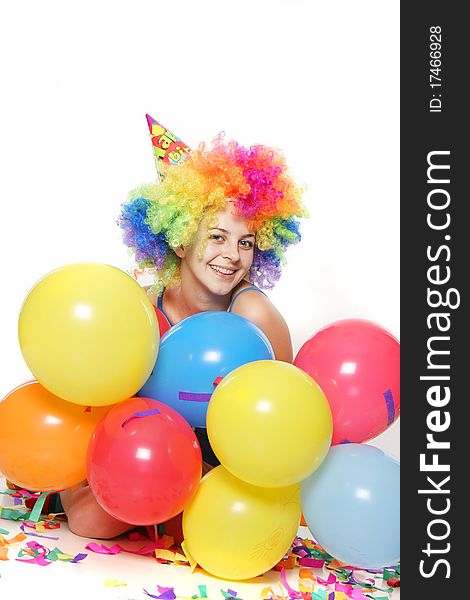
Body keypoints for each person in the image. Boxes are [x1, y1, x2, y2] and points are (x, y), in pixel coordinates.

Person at [60, 133, 307, 540]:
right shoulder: (143, 307)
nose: (232, 255)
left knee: (209, 530)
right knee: (90, 523)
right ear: (178, 239)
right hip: (147, 445)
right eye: (216, 236)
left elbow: (286, 420)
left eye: (245, 242)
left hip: (226, 460)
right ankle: (70, 490)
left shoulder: (254, 314)